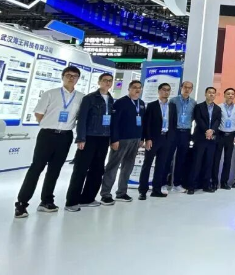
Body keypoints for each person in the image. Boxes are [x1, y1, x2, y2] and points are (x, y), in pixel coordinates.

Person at [14, 66, 83, 218]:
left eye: (75, 76)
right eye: (68, 75)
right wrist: (50, 125)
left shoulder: (80, 97)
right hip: (47, 135)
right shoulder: (50, 94)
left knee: (55, 170)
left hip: (65, 136)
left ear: (78, 79)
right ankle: (21, 204)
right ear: (62, 76)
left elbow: (79, 117)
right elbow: (39, 114)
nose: (71, 78)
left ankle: (46, 201)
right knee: (36, 168)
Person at [65, 72, 114, 212]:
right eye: (105, 80)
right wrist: (81, 138)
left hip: (104, 138)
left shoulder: (111, 100)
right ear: (99, 82)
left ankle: (87, 198)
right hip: (90, 137)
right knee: (80, 169)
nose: (108, 83)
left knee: (97, 169)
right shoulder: (89, 98)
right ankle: (72, 201)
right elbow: (82, 119)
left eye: (110, 80)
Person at [100, 80, 145, 206]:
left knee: (128, 167)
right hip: (121, 140)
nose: (137, 90)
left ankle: (121, 192)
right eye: (134, 87)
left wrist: (141, 138)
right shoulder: (120, 102)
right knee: (113, 166)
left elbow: (143, 122)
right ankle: (105, 194)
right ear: (129, 89)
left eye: (139, 88)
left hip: (135, 140)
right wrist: (114, 139)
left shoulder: (141, 104)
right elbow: (114, 122)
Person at [138, 83, 177, 200]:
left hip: (166, 139)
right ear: (159, 91)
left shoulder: (172, 106)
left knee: (161, 165)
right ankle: (142, 191)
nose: (166, 92)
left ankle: (156, 190)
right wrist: (147, 138)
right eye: (164, 90)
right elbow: (147, 123)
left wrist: (171, 138)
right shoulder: (152, 105)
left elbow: (173, 123)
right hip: (154, 139)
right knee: (147, 164)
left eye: (168, 90)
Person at [188, 87, 221, 194]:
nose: (211, 94)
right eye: (209, 92)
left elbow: (217, 121)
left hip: (212, 139)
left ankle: (206, 185)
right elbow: (199, 119)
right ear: (205, 94)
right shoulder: (198, 107)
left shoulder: (217, 108)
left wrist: (212, 131)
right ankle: (192, 186)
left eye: (213, 93)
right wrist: (207, 130)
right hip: (200, 138)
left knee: (208, 162)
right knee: (196, 162)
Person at [165, 81, 196, 193]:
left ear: (192, 89)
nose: (187, 89)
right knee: (168, 157)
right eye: (185, 87)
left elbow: (193, 117)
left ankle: (177, 184)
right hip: (174, 131)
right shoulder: (173, 101)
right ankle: (164, 183)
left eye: (189, 88)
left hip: (186, 132)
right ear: (181, 87)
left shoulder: (193, 103)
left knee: (181, 159)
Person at [213, 88, 235, 190]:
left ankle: (224, 182)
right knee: (216, 159)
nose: (230, 95)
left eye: (232, 94)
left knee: (228, 160)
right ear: (224, 95)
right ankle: (214, 182)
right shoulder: (219, 107)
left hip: (231, 136)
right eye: (228, 94)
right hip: (220, 134)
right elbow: (216, 122)